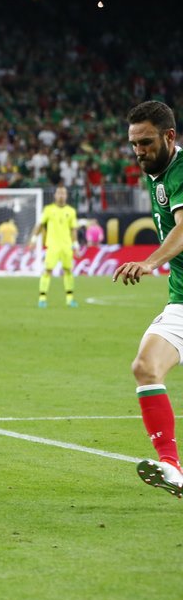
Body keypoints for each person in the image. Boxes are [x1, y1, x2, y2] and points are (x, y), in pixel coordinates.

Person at [113, 100, 183, 498]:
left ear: (169, 136)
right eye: (134, 144)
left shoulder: (182, 171)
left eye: (146, 142)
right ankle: (171, 467)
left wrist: (150, 262)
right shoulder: (156, 173)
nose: (138, 151)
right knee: (145, 367)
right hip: (182, 299)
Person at [27, 185, 80, 308]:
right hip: (53, 246)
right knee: (48, 271)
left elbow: (73, 230)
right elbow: (39, 225)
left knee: (68, 271)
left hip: (67, 246)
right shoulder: (48, 210)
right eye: (59, 193)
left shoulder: (71, 211)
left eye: (63, 193)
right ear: (55, 195)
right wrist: (33, 240)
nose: (61, 196)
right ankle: (42, 298)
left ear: (66, 196)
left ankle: (70, 299)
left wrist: (75, 245)